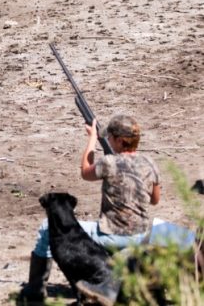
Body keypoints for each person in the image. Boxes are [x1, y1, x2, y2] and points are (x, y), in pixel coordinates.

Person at [18, 115, 161, 305]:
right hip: (139, 237)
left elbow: (85, 171)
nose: (107, 140)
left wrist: (92, 140)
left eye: (109, 137)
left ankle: (35, 289)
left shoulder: (108, 162)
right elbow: (154, 200)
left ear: (119, 141)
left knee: (47, 226)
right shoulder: (150, 163)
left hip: (110, 235)